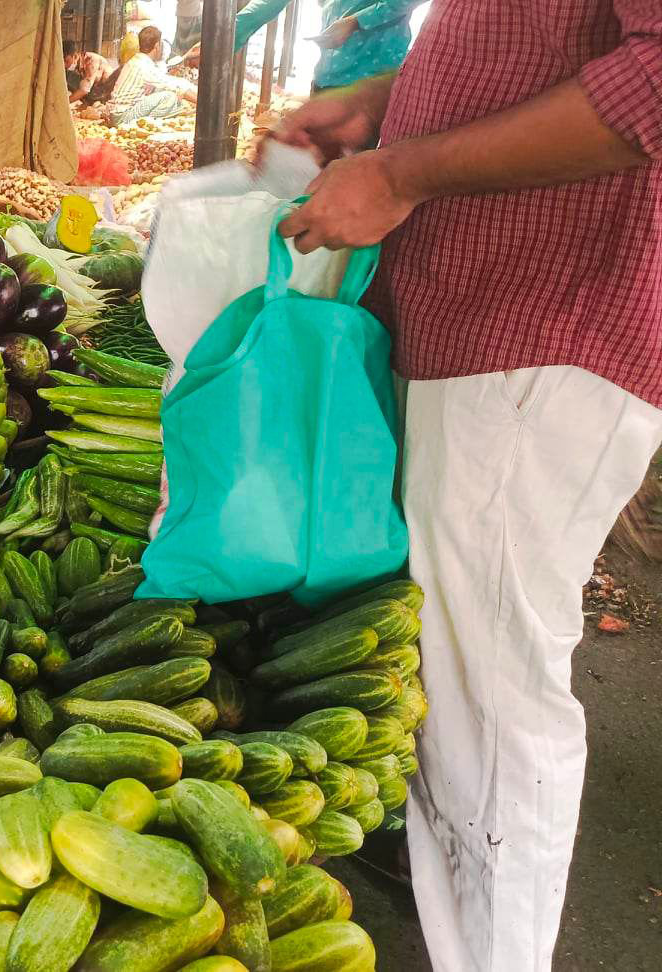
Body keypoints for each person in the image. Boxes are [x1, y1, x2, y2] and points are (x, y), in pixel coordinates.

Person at [268, 2, 661, 968]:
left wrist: (402, 171)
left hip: (541, 325)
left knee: (491, 701)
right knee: (458, 682)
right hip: (491, 324)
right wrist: (383, 105)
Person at [233, 0, 425, 92]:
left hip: (371, 75)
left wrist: (356, 21)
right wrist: (229, 35)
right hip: (329, 70)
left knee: (351, 161)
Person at [106, 26, 196, 127]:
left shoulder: (136, 60)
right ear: (157, 46)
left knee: (166, 96)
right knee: (169, 97)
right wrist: (201, 102)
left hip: (116, 112)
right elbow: (176, 86)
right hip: (123, 116)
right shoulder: (144, 65)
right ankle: (145, 123)